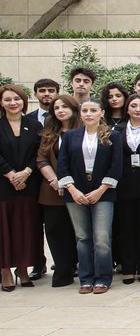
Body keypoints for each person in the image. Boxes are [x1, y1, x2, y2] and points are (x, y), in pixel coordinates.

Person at [57, 98, 122, 294]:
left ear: (101, 113)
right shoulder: (70, 136)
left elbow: (116, 165)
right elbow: (62, 164)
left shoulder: (112, 135)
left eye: (93, 110)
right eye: (84, 110)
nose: (88, 114)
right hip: (75, 192)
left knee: (102, 237)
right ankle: (86, 278)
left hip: (103, 191)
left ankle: (103, 277)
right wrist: (72, 189)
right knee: (82, 237)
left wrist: (101, 189)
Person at [35, 94, 79, 287]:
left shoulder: (85, 131)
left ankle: (79, 266)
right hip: (53, 191)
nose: (60, 110)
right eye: (57, 108)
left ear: (74, 109)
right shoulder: (49, 132)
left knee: (77, 231)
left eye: (65, 107)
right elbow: (41, 159)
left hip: (79, 190)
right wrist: (55, 180)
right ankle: (62, 270)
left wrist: (71, 184)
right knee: (55, 230)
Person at [1, 85, 41, 292]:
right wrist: (10, 174)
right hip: (3, 185)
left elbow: (39, 153)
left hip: (28, 183)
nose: (13, 103)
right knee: (4, 230)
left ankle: (23, 269)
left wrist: (26, 172)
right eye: (7, 99)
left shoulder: (34, 125)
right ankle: (6, 271)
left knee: (25, 227)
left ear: (23, 101)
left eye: (16, 99)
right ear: (1, 103)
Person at [114, 93, 140, 284]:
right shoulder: (117, 130)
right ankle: (128, 268)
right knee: (125, 228)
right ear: (127, 108)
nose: (138, 110)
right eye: (134, 106)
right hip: (123, 185)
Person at [25, 78, 60, 280]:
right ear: (35, 94)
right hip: (32, 180)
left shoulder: (65, 118)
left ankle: (64, 261)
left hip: (54, 180)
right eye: (42, 90)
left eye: (50, 90)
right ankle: (38, 264)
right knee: (34, 224)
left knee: (57, 224)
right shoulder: (28, 119)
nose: (46, 94)